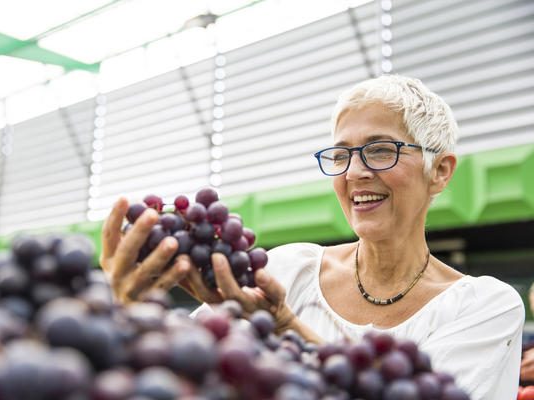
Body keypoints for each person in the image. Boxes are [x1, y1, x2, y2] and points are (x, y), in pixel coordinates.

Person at [99, 74, 525, 399]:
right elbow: (179, 371)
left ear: (441, 171)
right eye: (341, 155)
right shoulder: (289, 269)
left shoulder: (483, 307)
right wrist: (128, 310)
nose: (356, 172)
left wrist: (289, 326)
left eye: (380, 150)